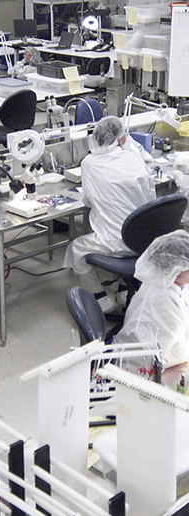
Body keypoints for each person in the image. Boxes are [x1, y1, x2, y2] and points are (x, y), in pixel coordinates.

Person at [63, 116, 155, 285]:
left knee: (75, 249)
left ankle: (101, 298)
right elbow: (151, 198)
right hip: (145, 239)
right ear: (121, 139)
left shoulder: (89, 163)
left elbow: (88, 201)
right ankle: (120, 289)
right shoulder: (135, 158)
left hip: (115, 242)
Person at [114, 231, 189, 370]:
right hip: (141, 370)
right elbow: (174, 351)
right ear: (176, 269)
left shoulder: (167, 282)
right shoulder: (161, 298)